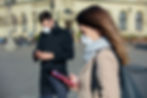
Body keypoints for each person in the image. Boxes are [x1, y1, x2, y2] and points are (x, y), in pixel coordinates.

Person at [70, 6, 128, 98]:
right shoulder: (97, 53)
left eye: (84, 33)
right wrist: (79, 85)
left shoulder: (104, 56)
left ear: (98, 29)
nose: (82, 37)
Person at [33, 11, 74, 98]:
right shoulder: (43, 35)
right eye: (43, 25)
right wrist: (36, 54)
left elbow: (70, 53)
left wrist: (52, 55)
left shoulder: (64, 33)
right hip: (45, 74)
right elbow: (37, 50)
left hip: (58, 73)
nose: (45, 27)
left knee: (62, 95)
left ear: (52, 20)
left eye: (46, 24)